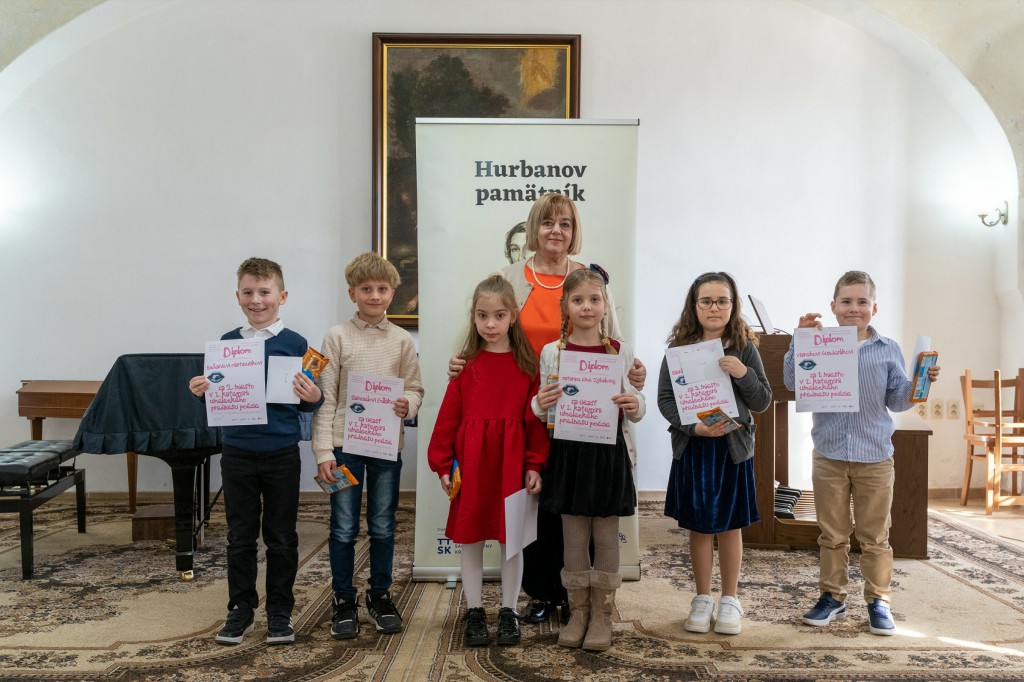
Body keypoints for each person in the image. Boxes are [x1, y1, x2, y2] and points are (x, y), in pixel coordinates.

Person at [448, 193, 646, 625]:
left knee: (577, 507)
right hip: (526, 409)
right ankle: (541, 593)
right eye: (548, 222)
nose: (556, 230)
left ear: (574, 232)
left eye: (565, 223)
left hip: (584, 413)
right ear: (533, 228)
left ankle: (581, 597)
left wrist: (633, 373)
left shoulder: (591, 280)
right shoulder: (507, 277)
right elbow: (482, 334)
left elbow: (614, 342)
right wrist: (460, 363)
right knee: (535, 505)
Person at [783, 270, 940, 636]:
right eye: (846, 301)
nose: (854, 308)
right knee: (832, 534)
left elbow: (897, 401)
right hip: (830, 453)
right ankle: (832, 596)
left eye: (862, 302)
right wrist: (799, 341)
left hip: (875, 455)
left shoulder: (887, 349)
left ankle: (879, 600)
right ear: (833, 306)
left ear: (874, 308)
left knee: (875, 536)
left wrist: (922, 383)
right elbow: (792, 383)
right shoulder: (817, 344)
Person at [188, 257, 324, 646]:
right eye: (248, 292)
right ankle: (241, 609)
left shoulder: (298, 344)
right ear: (238, 297)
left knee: (281, 536)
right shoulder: (226, 344)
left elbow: (311, 401)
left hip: (281, 454)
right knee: (240, 536)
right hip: (238, 453)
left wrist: (314, 396)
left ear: (282, 296)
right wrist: (202, 393)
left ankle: (280, 611)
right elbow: (220, 398)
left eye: (265, 292)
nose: (256, 300)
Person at [428, 275, 549, 647]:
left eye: (498, 315)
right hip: (473, 466)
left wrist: (534, 464)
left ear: (513, 315)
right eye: (482, 316)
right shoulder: (466, 365)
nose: (490, 324)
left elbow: (534, 421)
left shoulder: (528, 367)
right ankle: (475, 610)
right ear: (474, 316)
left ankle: (509, 610)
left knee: (512, 542)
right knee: (472, 540)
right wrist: (443, 464)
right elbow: (448, 418)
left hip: (511, 466)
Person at [312, 252, 424, 640]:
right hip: (343, 447)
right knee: (343, 526)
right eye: (366, 289)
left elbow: (415, 388)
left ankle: (379, 595)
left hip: (385, 447)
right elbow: (325, 397)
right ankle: (343, 599)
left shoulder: (402, 340)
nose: (374, 296)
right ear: (352, 294)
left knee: (382, 525)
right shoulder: (336, 336)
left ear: (392, 293)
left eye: (381, 289)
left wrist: (408, 404)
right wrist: (323, 453)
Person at [532, 266, 644, 651]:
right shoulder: (553, 352)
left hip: (608, 452)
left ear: (605, 305)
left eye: (594, 299)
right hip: (568, 452)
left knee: (606, 534)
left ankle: (602, 613)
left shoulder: (620, 350)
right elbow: (542, 408)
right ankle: (578, 611)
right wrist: (540, 403)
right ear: (565, 305)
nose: (586, 307)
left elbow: (635, 401)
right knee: (574, 535)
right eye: (578, 300)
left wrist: (636, 404)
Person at [658, 272, 772, 636]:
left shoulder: (744, 347)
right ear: (694, 306)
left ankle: (730, 599)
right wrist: (694, 428)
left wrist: (743, 373)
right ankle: (703, 597)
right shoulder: (679, 349)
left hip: (731, 451)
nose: (714, 307)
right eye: (706, 301)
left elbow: (763, 401)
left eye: (723, 301)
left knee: (730, 525)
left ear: (733, 305)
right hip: (695, 448)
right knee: (700, 526)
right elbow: (665, 399)